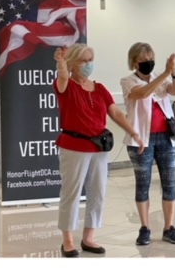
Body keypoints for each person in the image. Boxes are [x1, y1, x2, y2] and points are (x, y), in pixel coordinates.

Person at [53, 44, 144, 257]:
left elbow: (116, 114)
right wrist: (61, 65)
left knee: (98, 192)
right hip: (74, 147)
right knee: (71, 193)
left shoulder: (100, 89)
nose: (88, 64)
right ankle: (67, 240)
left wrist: (134, 133)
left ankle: (89, 237)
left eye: (90, 59)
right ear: (73, 63)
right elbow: (63, 78)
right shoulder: (67, 86)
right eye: (83, 60)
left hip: (99, 148)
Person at [120, 43, 175, 246]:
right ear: (133, 63)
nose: (148, 63)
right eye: (144, 61)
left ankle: (169, 228)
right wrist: (164, 73)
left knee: (169, 183)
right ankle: (145, 228)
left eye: (151, 59)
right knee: (143, 184)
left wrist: (173, 73)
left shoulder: (161, 77)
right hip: (141, 140)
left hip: (166, 138)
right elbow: (142, 93)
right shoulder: (128, 81)